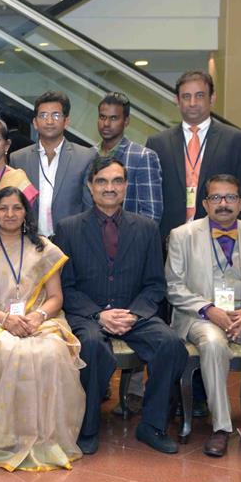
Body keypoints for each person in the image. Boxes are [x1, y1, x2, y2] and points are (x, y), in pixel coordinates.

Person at [54, 155, 186, 455]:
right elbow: (66, 285)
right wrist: (99, 315)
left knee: (171, 344)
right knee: (91, 346)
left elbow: (155, 284)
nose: (109, 188)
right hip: (89, 314)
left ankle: (152, 425)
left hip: (133, 312)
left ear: (126, 186)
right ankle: (87, 428)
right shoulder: (68, 228)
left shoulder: (147, 228)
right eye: (101, 181)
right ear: (90, 186)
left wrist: (134, 314)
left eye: (116, 181)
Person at [165, 174, 241, 459]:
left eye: (230, 197)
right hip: (200, 315)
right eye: (216, 198)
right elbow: (174, 287)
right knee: (212, 342)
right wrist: (210, 310)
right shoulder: (182, 235)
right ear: (205, 203)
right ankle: (221, 427)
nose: (223, 204)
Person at [0, 186, 84, 471]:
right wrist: (5, 320)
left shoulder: (44, 247)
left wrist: (39, 316)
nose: (10, 214)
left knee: (52, 352)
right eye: (3, 208)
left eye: (17, 208)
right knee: (10, 350)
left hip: (37, 319)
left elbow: (56, 298)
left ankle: (47, 438)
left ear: (26, 213)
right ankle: (7, 439)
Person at [146, 69, 241, 239]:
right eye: (186, 97)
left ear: (212, 99)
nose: (192, 103)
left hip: (220, 236)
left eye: (199, 96)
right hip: (168, 238)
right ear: (177, 100)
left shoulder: (236, 140)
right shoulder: (158, 143)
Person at [9, 91, 96, 238]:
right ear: (35, 123)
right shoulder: (18, 159)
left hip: (71, 241)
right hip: (30, 243)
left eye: (56, 115)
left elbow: (90, 207)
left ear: (66, 121)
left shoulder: (85, 156)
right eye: (43, 116)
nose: (49, 121)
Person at [96, 92, 161, 223]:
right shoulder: (88, 155)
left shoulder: (143, 156)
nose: (106, 123)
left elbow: (151, 215)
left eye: (114, 118)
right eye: (102, 117)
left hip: (129, 239)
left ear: (126, 121)